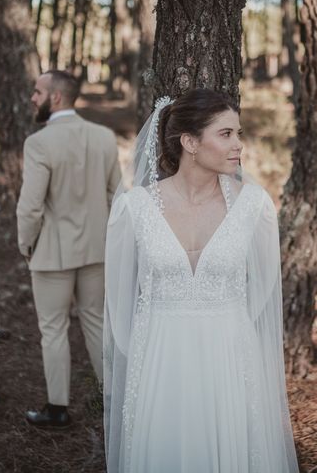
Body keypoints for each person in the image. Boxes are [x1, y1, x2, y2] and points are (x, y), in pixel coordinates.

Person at [103, 89, 299, 472]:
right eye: (226, 134)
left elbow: (262, 293)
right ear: (190, 142)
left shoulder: (254, 207)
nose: (239, 145)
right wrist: (148, 347)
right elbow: (119, 301)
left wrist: (222, 317)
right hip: (161, 362)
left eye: (238, 134)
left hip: (227, 358)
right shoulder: (134, 209)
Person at [17, 70, 121, 428]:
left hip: (52, 253)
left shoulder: (39, 143)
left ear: (55, 97)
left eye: (37, 91)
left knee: (53, 329)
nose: (33, 98)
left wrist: (26, 245)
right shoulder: (104, 137)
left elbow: (30, 207)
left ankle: (57, 409)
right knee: (96, 322)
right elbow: (116, 197)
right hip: (97, 248)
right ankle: (116, 401)